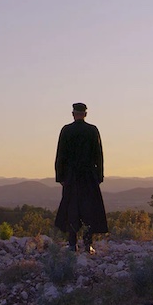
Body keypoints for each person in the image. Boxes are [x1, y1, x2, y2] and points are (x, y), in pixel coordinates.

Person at [54, 102, 108, 253]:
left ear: (73, 114)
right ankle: (87, 244)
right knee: (89, 209)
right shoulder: (92, 130)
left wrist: (60, 176)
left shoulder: (66, 130)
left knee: (72, 208)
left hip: (71, 176)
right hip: (88, 175)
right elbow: (99, 154)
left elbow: (61, 154)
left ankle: (72, 244)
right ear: (85, 114)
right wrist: (99, 175)